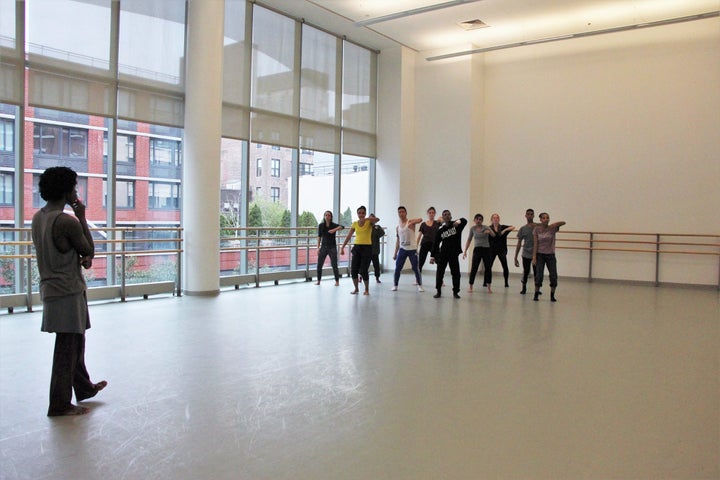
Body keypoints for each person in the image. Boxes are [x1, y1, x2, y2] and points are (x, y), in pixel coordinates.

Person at [31, 167, 107, 416]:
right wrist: (82, 216)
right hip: (67, 290)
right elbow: (88, 250)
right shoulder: (66, 221)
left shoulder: (39, 217)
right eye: (74, 188)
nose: (76, 192)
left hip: (52, 288)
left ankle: (83, 387)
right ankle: (60, 403)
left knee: (76, 339)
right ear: (66, 191)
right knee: (67, 346)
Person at [340, 206, 380, 295]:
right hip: (357, 247)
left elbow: (377, 219)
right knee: (353, 270)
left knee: (363, 270)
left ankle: (366, 289)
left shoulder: (369, 222)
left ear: (365, 214)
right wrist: (342, 247)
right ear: (357, 214)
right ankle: (356, 288)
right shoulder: (354, 223)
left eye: (363, 213)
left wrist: (365, 219)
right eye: (359, 213)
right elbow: (349, 236)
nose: (361, 214)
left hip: (367, 248)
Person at [430, 210, 467, 298]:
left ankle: (455, 292)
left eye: (448, 214)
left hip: (453, 254)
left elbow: (464, 220)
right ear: (443, 218)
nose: (447, 216)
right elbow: (436, 243)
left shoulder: (457, 226)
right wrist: (432, 256)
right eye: (445, 215)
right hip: (443, 254)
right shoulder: (441, 230)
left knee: (456, 273)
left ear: (450, 216)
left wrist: (457, 221)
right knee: (440, 273)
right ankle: (438, 291)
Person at [532, 212, 566, 302]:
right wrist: (534, 257)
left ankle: (552, 295)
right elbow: (535, 244)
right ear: (540, 219)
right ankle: (536, 294)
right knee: (539, 275)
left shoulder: (552, 228)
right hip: (540, 255)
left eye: (547, 218)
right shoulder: (536, 229)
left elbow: (564, 222)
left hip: (550, 255)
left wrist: (554, 224)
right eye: (544, 218)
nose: (546, 219)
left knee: (553, 275)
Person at [392, 206, 424, 292]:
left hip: (412, 249)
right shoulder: (397, 227)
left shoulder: (410, 222)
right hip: (402, 249)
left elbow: (420, 219)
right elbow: (398, 241)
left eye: (403, 212)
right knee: (398, 267)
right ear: (398, 214)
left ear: (406, 213)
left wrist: (412, 221)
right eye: (399, 212)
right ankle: (395, 285)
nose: (401, 214)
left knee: (415, 268)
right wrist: (395, 253)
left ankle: (420, 285)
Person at [462, 213, 494, 293]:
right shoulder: (472, 228)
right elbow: (469, 239)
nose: (478, 221)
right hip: (477, 250)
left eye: (480, 219)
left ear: (482, 220)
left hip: (486, 249)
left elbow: (494, 235)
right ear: (474, 220)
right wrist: (465, 250)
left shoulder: (486, 227)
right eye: (477, 219)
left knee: (488, 268)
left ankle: (489, 287)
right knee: (474, 268)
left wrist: (489, 232)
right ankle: (471, 286)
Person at [316, 210, 344, 286]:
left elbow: (342, 227)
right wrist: (318, 247)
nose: (327, 216)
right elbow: (319, 237)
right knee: (319, 264)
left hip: (332, 247)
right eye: (326, 215)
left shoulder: (333, 225)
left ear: (331, 217)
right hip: (323, 247)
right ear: (324, 217)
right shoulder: (321, 225)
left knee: (334, 264)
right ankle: (318, 280)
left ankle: (337, 281)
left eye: (329, 215)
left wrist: (334, 230)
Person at [513, 208, 538, 295]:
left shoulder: (538, 227)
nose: (530, 215)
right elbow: (519, 243)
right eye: (528, 214)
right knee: (526, 271)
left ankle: (537, 289)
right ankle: (524, 288)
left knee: (537, 272)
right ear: (525, 216)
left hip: (536, 253)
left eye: (531, 214)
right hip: (526, 253)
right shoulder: (523, 229)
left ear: (534, 216)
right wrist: (515, 257)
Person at [488, 213, 515, 289]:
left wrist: (505, 230)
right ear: (491, 219)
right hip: (492, 250)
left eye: (497, 218)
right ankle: (486, 281)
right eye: (494, 218)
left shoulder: (502, 227)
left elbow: (513, 227)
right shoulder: (489, 228)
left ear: (499, 219)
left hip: (501, 249)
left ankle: (506, 282)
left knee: (505, 266)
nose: (495, 219)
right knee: (489, 266)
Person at [416, 207, 441, 273]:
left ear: (435, 214)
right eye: (430, 213)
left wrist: (439, 218)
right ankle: (417, 279)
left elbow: (442, 218)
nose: (431, 214)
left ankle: (440, 280)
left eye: (433, 213)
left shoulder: (437, 223)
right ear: (427, 213)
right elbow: (419, 236)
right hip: (425, 244)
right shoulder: (423, 224)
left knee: (439, 261)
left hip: (434, 245)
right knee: (420, 262)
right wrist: (416, 247)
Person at [370, 216, 385, 283]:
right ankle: (361, 277)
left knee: (376, 265)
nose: (371, 220)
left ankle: (377, 278)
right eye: (370, 219)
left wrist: (377, 228)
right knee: (364, 265)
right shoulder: (366, 227)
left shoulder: (377, 227)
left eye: (373, 219)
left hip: (375, 249)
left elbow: (382, 233)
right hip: (366, 250)